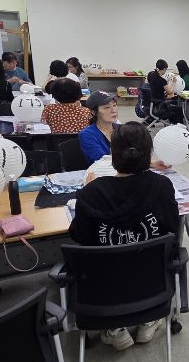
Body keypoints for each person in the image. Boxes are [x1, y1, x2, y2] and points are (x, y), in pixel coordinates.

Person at [69, 122, 179, 350]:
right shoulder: (163, 186)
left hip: (104, 291)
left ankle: (115, 330)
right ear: (148, 154)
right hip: (153, 285)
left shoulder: (91, 192)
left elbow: (80, 235)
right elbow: (171, 228)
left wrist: (87, 193)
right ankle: (148, 321)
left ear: (112, 154)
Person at [78, 91, 120, 165]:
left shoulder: (122, 129)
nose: (113, 110)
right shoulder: (87, 135)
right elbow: (101, 161)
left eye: (114, 105)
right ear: (93, 112)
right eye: (107, 107)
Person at [147, 59, 183, 124]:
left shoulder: (152, 75)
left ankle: (172, 123)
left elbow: (156, 88)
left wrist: (164, 91)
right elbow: (170, 92)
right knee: (179, 108)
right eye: (166, 69)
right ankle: (177, 126)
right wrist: (174, 82)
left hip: (153, 103)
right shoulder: (162, 80)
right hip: (159, 106)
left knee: (173, 102)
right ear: (164, 69)